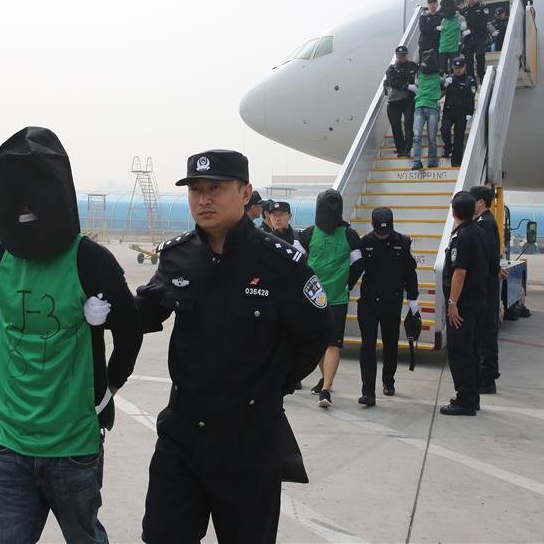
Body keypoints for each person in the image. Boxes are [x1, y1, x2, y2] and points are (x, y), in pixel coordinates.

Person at [136, 149, 333, 543]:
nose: (203, 199)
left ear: (245, 193)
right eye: (195, 190)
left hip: (250, 439)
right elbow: (145, 310)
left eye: (215, 188)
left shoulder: (280, 263)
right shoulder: (178, 255)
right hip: (183, 434)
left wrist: (272, 384)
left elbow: (315, 333)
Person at [0, 127, 141, 544]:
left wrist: (108, 387)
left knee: (85, 537)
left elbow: (130, 328)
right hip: (8, 442)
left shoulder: (90, 260)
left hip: (73, 445)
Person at [298, 189, 364, 408]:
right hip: (329, 298)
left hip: (321, 298)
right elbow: (359, 264)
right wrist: (348, 283)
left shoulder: (309, 233)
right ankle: (326, 381)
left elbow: (295, 261)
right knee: (326, 343)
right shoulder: (349, 235)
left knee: (330, 343)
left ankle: (326, 388)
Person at [350, 207, 418, 406]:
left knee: (391, 343)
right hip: (369, 302)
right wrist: (347, 286)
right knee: (367, 347)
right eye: (379, 231)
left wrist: (413, 299)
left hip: (392, 302)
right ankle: (368, 392)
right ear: (372, 225)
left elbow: (410, 273)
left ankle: (388, 380)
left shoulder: (403, 242)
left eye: (386, 231)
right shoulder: (365, 242)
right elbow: (357, 268)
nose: (383, 234)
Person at [441, 191, 489, 416]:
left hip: (464, 304)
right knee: (472, 350)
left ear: (454, 212)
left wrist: (452, 303)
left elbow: (459, 272)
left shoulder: (461, 236)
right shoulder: (480, 232)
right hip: (479, 301)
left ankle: (465, 400)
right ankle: (472, 396)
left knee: (459, 351)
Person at [470, 186, 502, 394]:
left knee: (486, 333)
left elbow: (486, 255)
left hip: (486, 287)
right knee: (484, 332)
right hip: (488, 283)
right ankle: (485, 375)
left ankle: (487, 378)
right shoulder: (484, 222)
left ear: (481, 202)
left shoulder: (485, 224)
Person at [441, 56, 477, 167]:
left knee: (459, 136)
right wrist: (444, 85)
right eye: (455, 68)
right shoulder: (449, 78)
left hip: (462, 112)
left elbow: (470, 97)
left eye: (460, 68)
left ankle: (456, 161)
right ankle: (448, 146)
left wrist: (470, 112)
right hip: (448, 111)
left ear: (464, 67)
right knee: (444, 130)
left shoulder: (470, 80)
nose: (457, 70)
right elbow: (440, 93)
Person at [384, 46, 419, 157]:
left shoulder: (413, 66)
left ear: (406, 55)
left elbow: (419, 76)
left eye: (403, 56)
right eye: (399, 56)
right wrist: (406, 86)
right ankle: (400, 149)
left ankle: (408, 148)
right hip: (394, 102)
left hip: (408, 99)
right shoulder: (392, 68)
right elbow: (391, 81)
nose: (401, 58)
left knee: (408, 123)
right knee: (395, 125)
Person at [411, 49, 443, 170]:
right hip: (425, 107)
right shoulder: (439, 75)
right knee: (427, 137)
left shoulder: (419, 74)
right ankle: (422, 161)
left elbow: (416, 83)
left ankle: (427, 160)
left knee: (422, 136)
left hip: (426, 106)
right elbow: (445, 83)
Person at [461, 0, 490, 84]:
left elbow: (483, 23)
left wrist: (471, 30)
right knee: (468, 60)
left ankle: (481, 76)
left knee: (479, 55)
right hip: (468, 39)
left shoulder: (482, 7)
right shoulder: (465, 10)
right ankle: (472, 80)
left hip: (479, 37)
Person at [436, 0, 468, 74]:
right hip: (443, 47)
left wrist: (461, 42)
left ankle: (453, 81)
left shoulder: (460, 18)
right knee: (442, 69)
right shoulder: (443, 20)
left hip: (454, 47)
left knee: (454, 68)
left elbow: (464, 30)